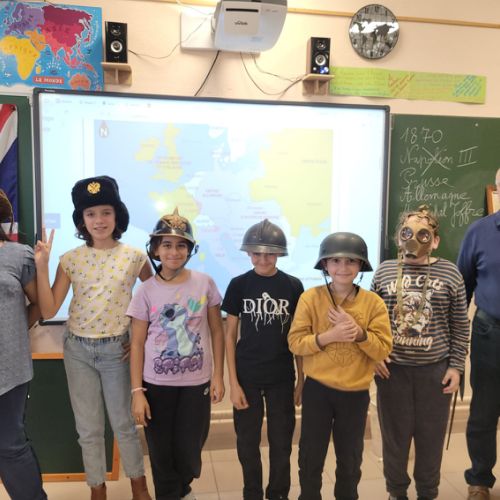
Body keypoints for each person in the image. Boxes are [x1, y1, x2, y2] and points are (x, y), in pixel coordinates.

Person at [34, 176, 152, 500]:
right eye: (90, 214)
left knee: (123, 424)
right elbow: (48, 308)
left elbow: (156, 299)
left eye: (105, 212)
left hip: (117, 350)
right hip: (78, 351)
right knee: (88, 429)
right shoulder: (70, 259)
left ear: (117, 215)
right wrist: (42, 267)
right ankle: (96, 489)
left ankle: (139, 488)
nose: (99, 220)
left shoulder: (135, 257)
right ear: (81, 220)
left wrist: (140, 338)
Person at [371, 205, 469, 500]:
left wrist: (456, 366)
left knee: (431, 438)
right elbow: (370, 320)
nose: (414, 239)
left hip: (434, 373)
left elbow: (460, 324)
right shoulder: (385, 270)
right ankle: (396, 492)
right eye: (407, 232)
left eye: (423, 234)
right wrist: (374, 354)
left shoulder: (449, 272)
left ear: (435, 240)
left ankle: (427, 492)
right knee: (394, 439)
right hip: (393, 371)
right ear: (398, 237)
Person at [127, 208, 225, 500]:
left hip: (196, 383)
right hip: (157, 385)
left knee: (190, 449)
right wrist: (137, 391)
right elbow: (136, 343)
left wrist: (218, 376)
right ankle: (172, 494)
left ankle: (182, 490)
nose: (174, 251)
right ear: (155, 249)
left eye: (181, 245)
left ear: (190, 249)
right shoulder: (145, 291)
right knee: (161, 451)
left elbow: (217, 331)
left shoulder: (205, 283)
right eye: (167, 245)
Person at [288, 232, 392, 500]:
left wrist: (359, 334)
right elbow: (295, 343)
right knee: (310, 455)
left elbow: (383, 349)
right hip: (318, 390)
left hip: (355, 394)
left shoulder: (373, 303)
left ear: (360, 266)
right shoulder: (311, 298)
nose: (343, 268)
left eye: (350, 261)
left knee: (350, 458)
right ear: (325, 264)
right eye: (335, 261)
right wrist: (328, 336)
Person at [222, 219, 304, 500]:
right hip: (247, 376)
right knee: (247, 443)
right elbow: (229, 335)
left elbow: (298, 335)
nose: (263, 259)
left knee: (282, 442)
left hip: (282, 376)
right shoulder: (239, 285)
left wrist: (301, 379)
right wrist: (233, 383)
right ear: (248, 253)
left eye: (269, 253)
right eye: (257, 253)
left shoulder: (293, 286)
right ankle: (252, 493)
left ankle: (278, 493)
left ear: (279, 253)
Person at [0, 189, 47, 500]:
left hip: (10, 370)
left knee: (10, 444)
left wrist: (16, 329)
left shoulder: (19, 255)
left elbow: (40, 303)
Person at [457, 168, 500, 500]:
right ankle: (479, 480)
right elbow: (462, 287)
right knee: (484, 409)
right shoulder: (479, 232)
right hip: (490, 332)